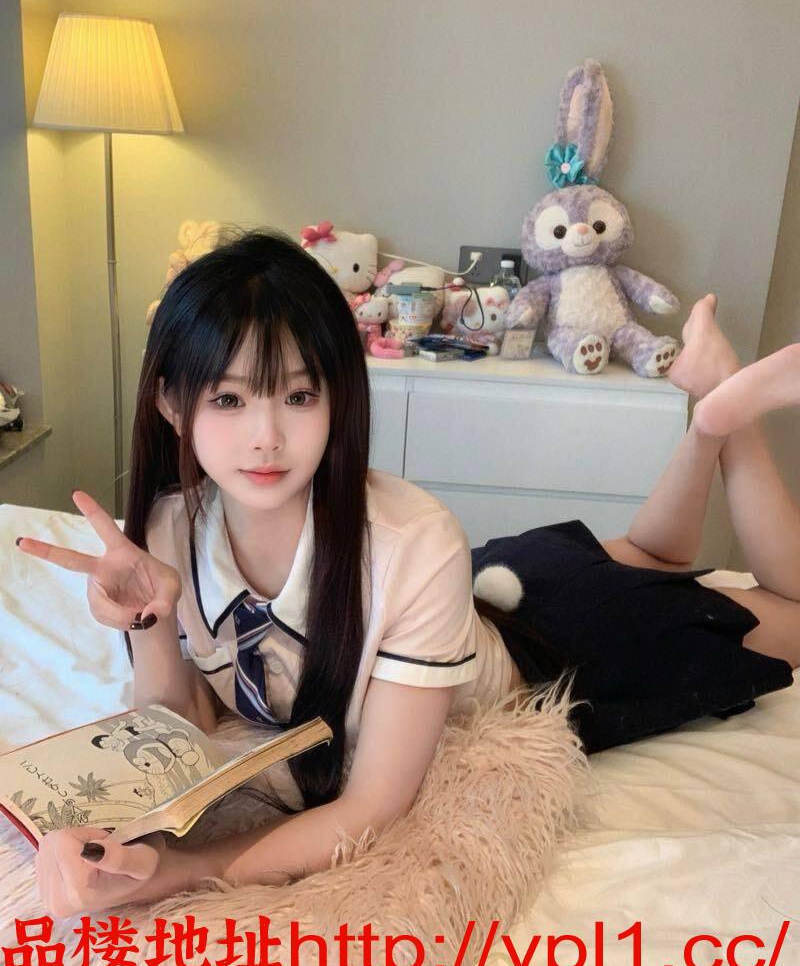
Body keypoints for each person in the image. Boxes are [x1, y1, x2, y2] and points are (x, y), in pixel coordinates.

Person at [16, 232, 797, 918]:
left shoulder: (413, 540)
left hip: (552, 652)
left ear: (338, 396)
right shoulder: (167, 527)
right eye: (228, 397)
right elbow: (184, 716)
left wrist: (174, 873)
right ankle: (706, 417)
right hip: (490, 589)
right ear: (170, 403)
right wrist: (153, 623)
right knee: (652, 553)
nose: (266, 436)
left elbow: (373, 805)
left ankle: (726, 420)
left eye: (298, 394)